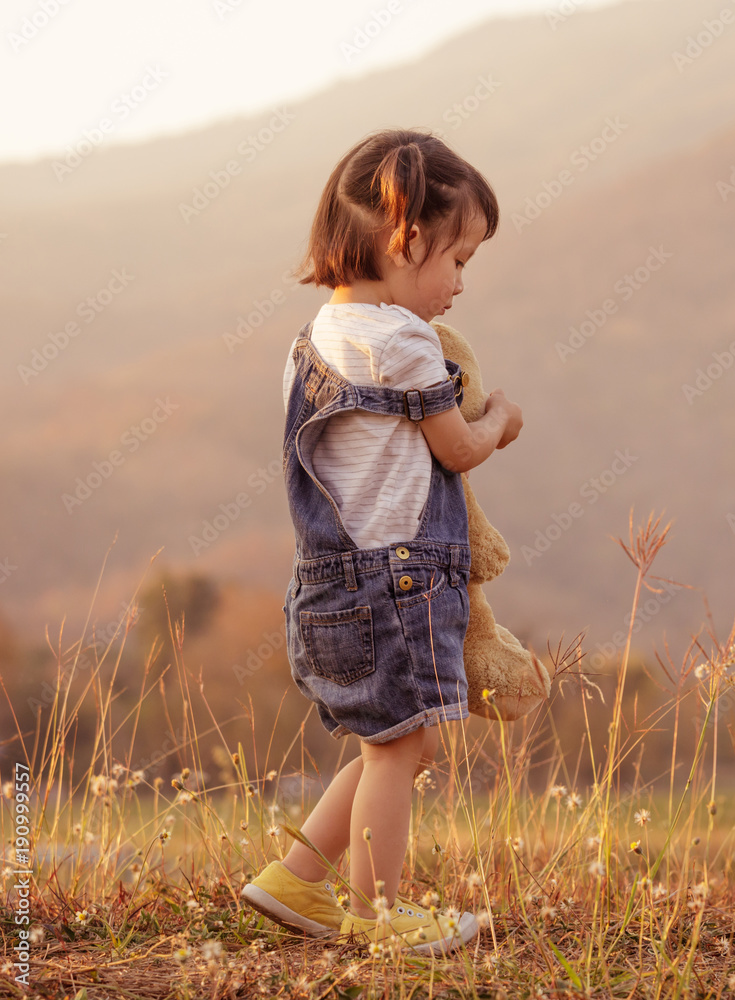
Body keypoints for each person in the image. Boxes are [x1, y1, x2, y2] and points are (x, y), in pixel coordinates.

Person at [240, 129, 522, 956]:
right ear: (405, 240)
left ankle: (297, 874)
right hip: (392, 584)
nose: (461, 284)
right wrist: (501, 417)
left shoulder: (314, 342)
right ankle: (379, 912)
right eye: (458, 260)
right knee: (400, 750)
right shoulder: (403, 342)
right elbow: (459, 449)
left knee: (397, 739)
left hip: (329, 584)